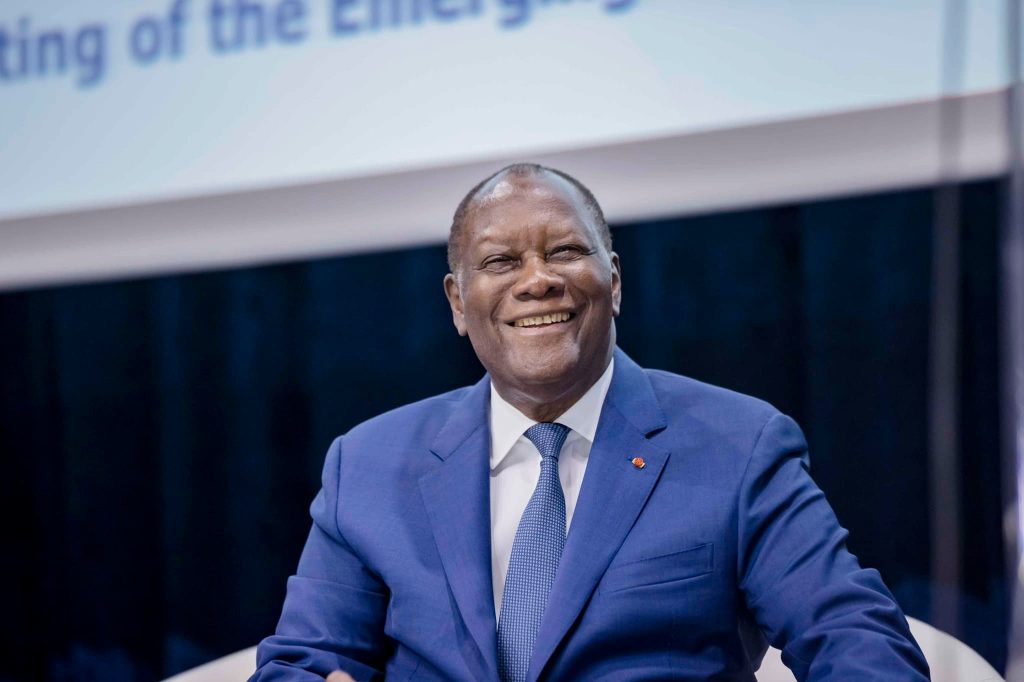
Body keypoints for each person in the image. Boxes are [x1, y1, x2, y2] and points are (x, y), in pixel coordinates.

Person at [251, 164, 930, 681]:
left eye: (566, 252)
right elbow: (302, 660)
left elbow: (852, 633)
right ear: (458, 303)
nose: (537, 281)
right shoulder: (369, 464)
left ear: (615, 281)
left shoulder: (738, 445)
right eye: (501, 262)